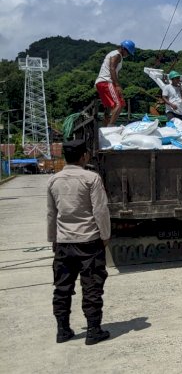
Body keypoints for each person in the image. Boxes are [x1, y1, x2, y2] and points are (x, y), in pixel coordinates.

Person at [47, 139, 111, 345]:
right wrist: (105, 235)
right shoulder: (91, 178)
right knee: (91, 286)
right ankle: (93, 331)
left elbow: (51, 214)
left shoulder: (54, 180)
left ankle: (62, 330)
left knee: (62, 287)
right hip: (89, 240)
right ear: (84, 156)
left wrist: (53, 239)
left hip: (64, 241)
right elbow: (100, 210)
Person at [95, 40, 135, 127]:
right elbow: (112, 68)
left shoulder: (113, 54)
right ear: (124, 49)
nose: (127, 55)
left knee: (109, 107)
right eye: (128, 53)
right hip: (106, 81)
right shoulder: (117, 55)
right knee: (120, 104)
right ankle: (110, 127)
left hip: (100, 83)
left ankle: (104, 128)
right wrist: (117, 85)